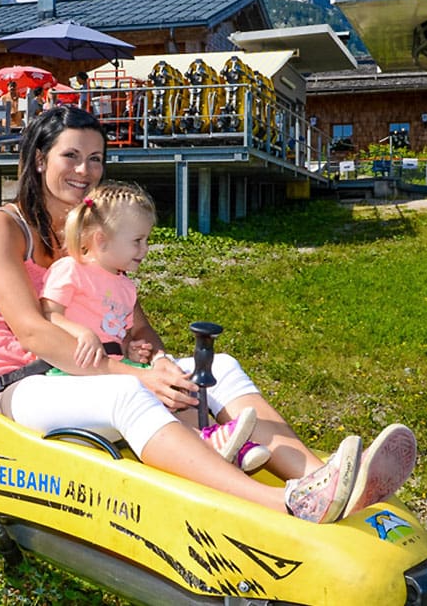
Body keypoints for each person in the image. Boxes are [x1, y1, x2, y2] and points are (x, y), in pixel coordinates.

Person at [0, 106, 417, 524]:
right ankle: (285, 503)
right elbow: (34, 331)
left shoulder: (90, 237)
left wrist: (158, 363)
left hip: (81, 376)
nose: (85, 170)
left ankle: (324, 479)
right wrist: (138, 377)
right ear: (39, 159)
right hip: (16, 385)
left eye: (96, 158)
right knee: (126, 395)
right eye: (71, 156)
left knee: (218, 367)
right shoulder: (1, 229)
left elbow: (136, 323)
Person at [41, 180, 270, 472]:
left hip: (114, 364)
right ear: (100, 240)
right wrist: (81, 333)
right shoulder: (71, 269)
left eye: (146, 240)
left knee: (173, 387)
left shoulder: (124, 286)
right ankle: (207, 442)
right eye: (137, 241)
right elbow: (48, 314)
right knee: (148, 393)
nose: (145, 249)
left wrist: (130, 347)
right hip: (76, 370)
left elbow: (114, 331)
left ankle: (214, 437)